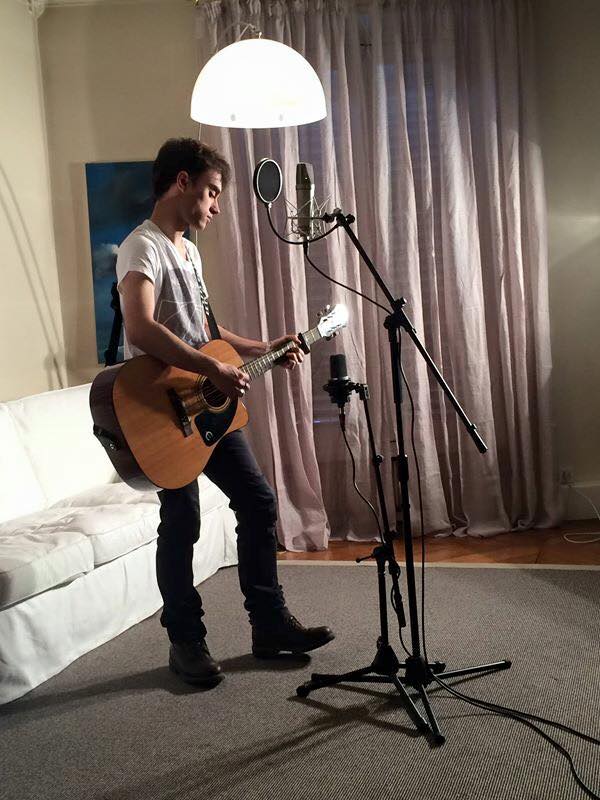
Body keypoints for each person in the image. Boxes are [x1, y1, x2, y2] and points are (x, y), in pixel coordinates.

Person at [116, 138, 334, 687]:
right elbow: (140, 328)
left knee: (258, 502)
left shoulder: (189, 253)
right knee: (183, 521)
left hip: (205, 409)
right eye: (212, 192)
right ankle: (185, 641)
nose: (216, 206)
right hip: (161, 412)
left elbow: (208, 334)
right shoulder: (141, 247)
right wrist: (211, 369)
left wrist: (265, 347)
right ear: (182, 181)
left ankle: (269, 626)